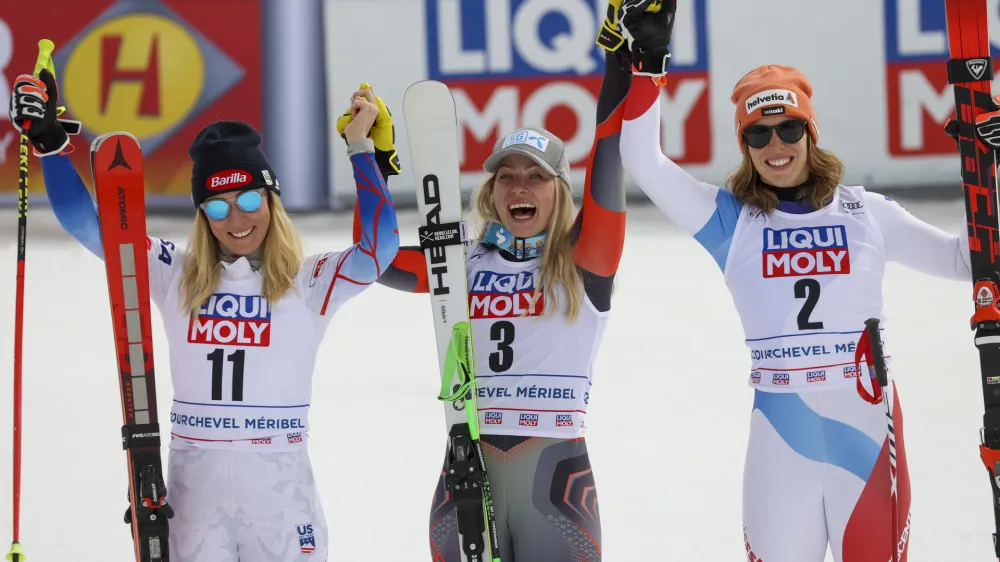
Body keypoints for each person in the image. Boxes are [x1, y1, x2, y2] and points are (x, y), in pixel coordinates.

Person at [614, 1, 971, 561]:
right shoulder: (729, 221)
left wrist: (987, 174)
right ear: (744, 145)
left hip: (866, 426)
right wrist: (649, 68)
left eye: (787, 129)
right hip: (782, 435)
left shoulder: (866, 212)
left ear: (811, 131)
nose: (775, 146)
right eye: (758, 135)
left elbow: (963, 262)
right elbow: (642, 160)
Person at [9, 69, 400, 561]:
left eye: (251, 200)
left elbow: (379, 248)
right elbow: (90, 225)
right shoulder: (175, 271)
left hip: (280, 495)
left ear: (273, 201)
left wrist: (363, 150)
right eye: (217, 208)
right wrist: (50, 146)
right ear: (201, 216)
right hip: (196, 494)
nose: (237, 220)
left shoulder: (308, 281)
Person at [335, 13, 632, 562]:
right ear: (492, 190)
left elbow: (611, 155)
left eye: (537, 176)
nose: (520, 186)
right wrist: (367, 156)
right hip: (466, 467)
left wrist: (622, 60)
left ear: (560, 191)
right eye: (506, 175)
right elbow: (372, 259)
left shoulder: (584, 259)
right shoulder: (461, 260)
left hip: (553, 479)